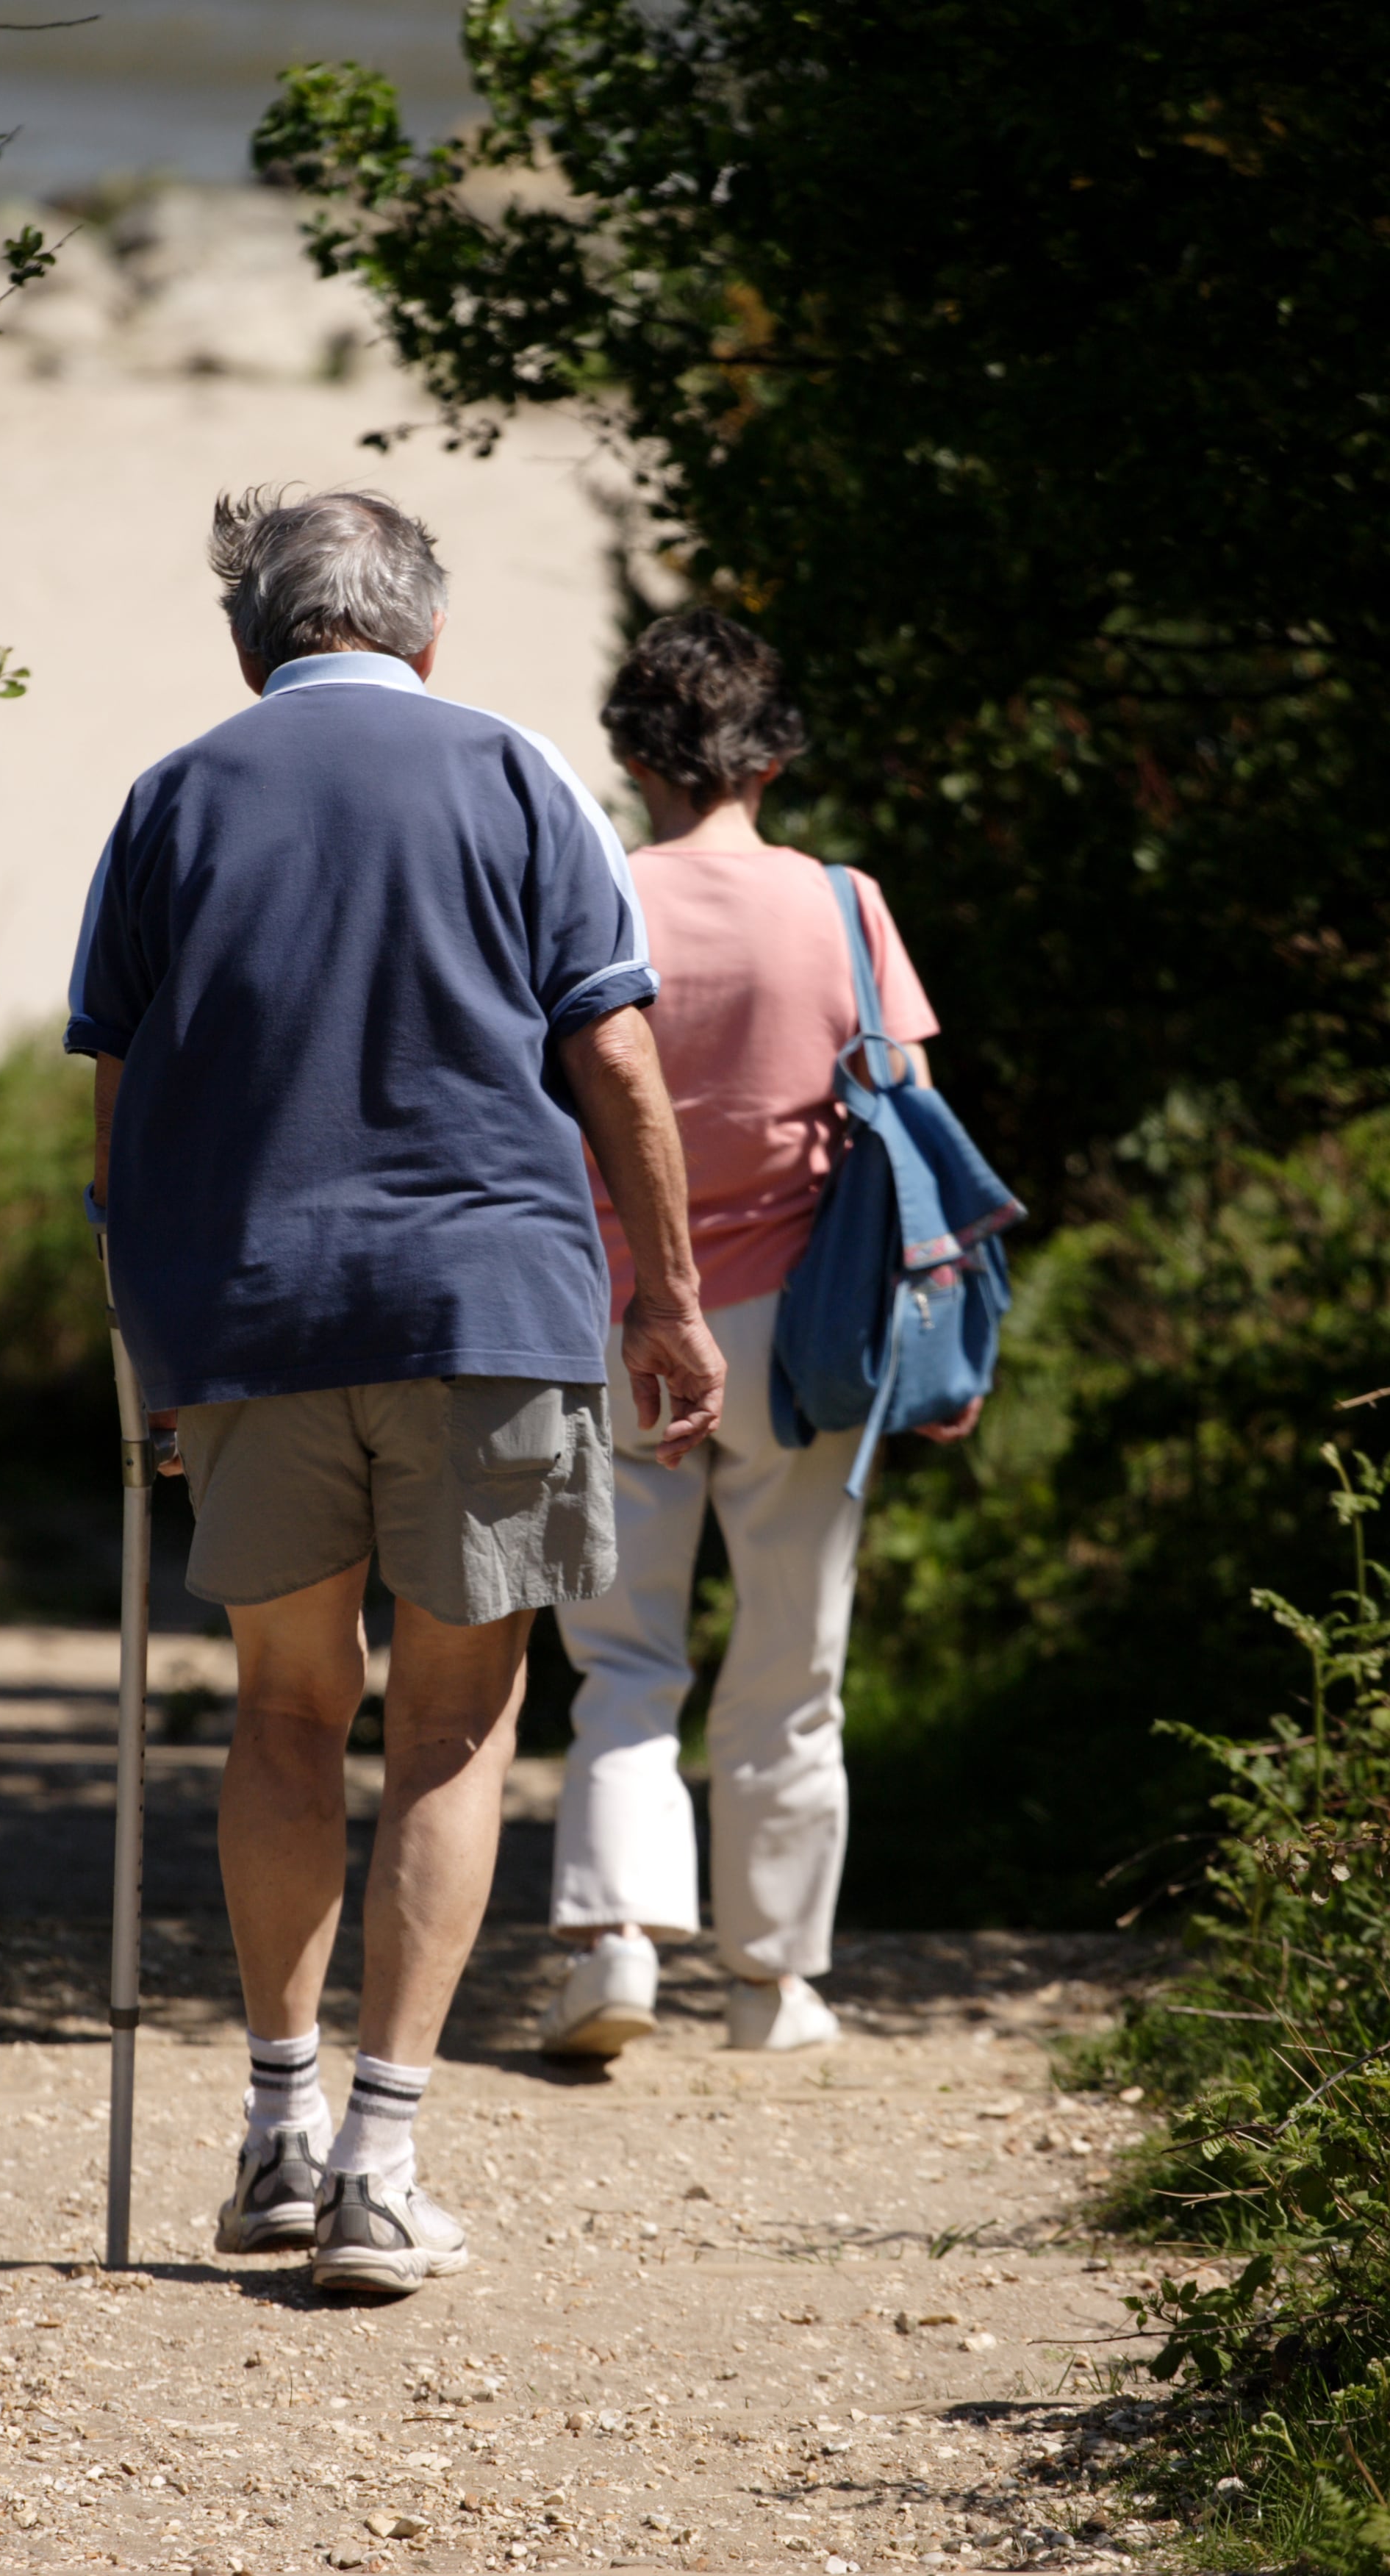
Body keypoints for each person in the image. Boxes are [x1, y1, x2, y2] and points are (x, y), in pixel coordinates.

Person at [65, 490, 726, 2294]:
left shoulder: (175, 794)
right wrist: (667, 1299)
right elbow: (609, 1051)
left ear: (251, 642)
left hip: (254, 1322)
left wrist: (152, 1335)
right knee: (449, 1726)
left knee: (286, 1714)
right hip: (489, 1313)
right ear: (425, 637)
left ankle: (275, 2136)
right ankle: (378, 2158)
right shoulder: (515, 776)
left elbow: (114, 1116)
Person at [538, 609, 976, 2060]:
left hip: (614, 1313)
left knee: (621, 1656)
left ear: (628, 754)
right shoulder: (842, 905)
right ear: (774, 755)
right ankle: (772, 1984)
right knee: (793, 1664)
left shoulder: (592, 894)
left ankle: (612, 1944)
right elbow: (896, 1099)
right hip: (807, 1337)